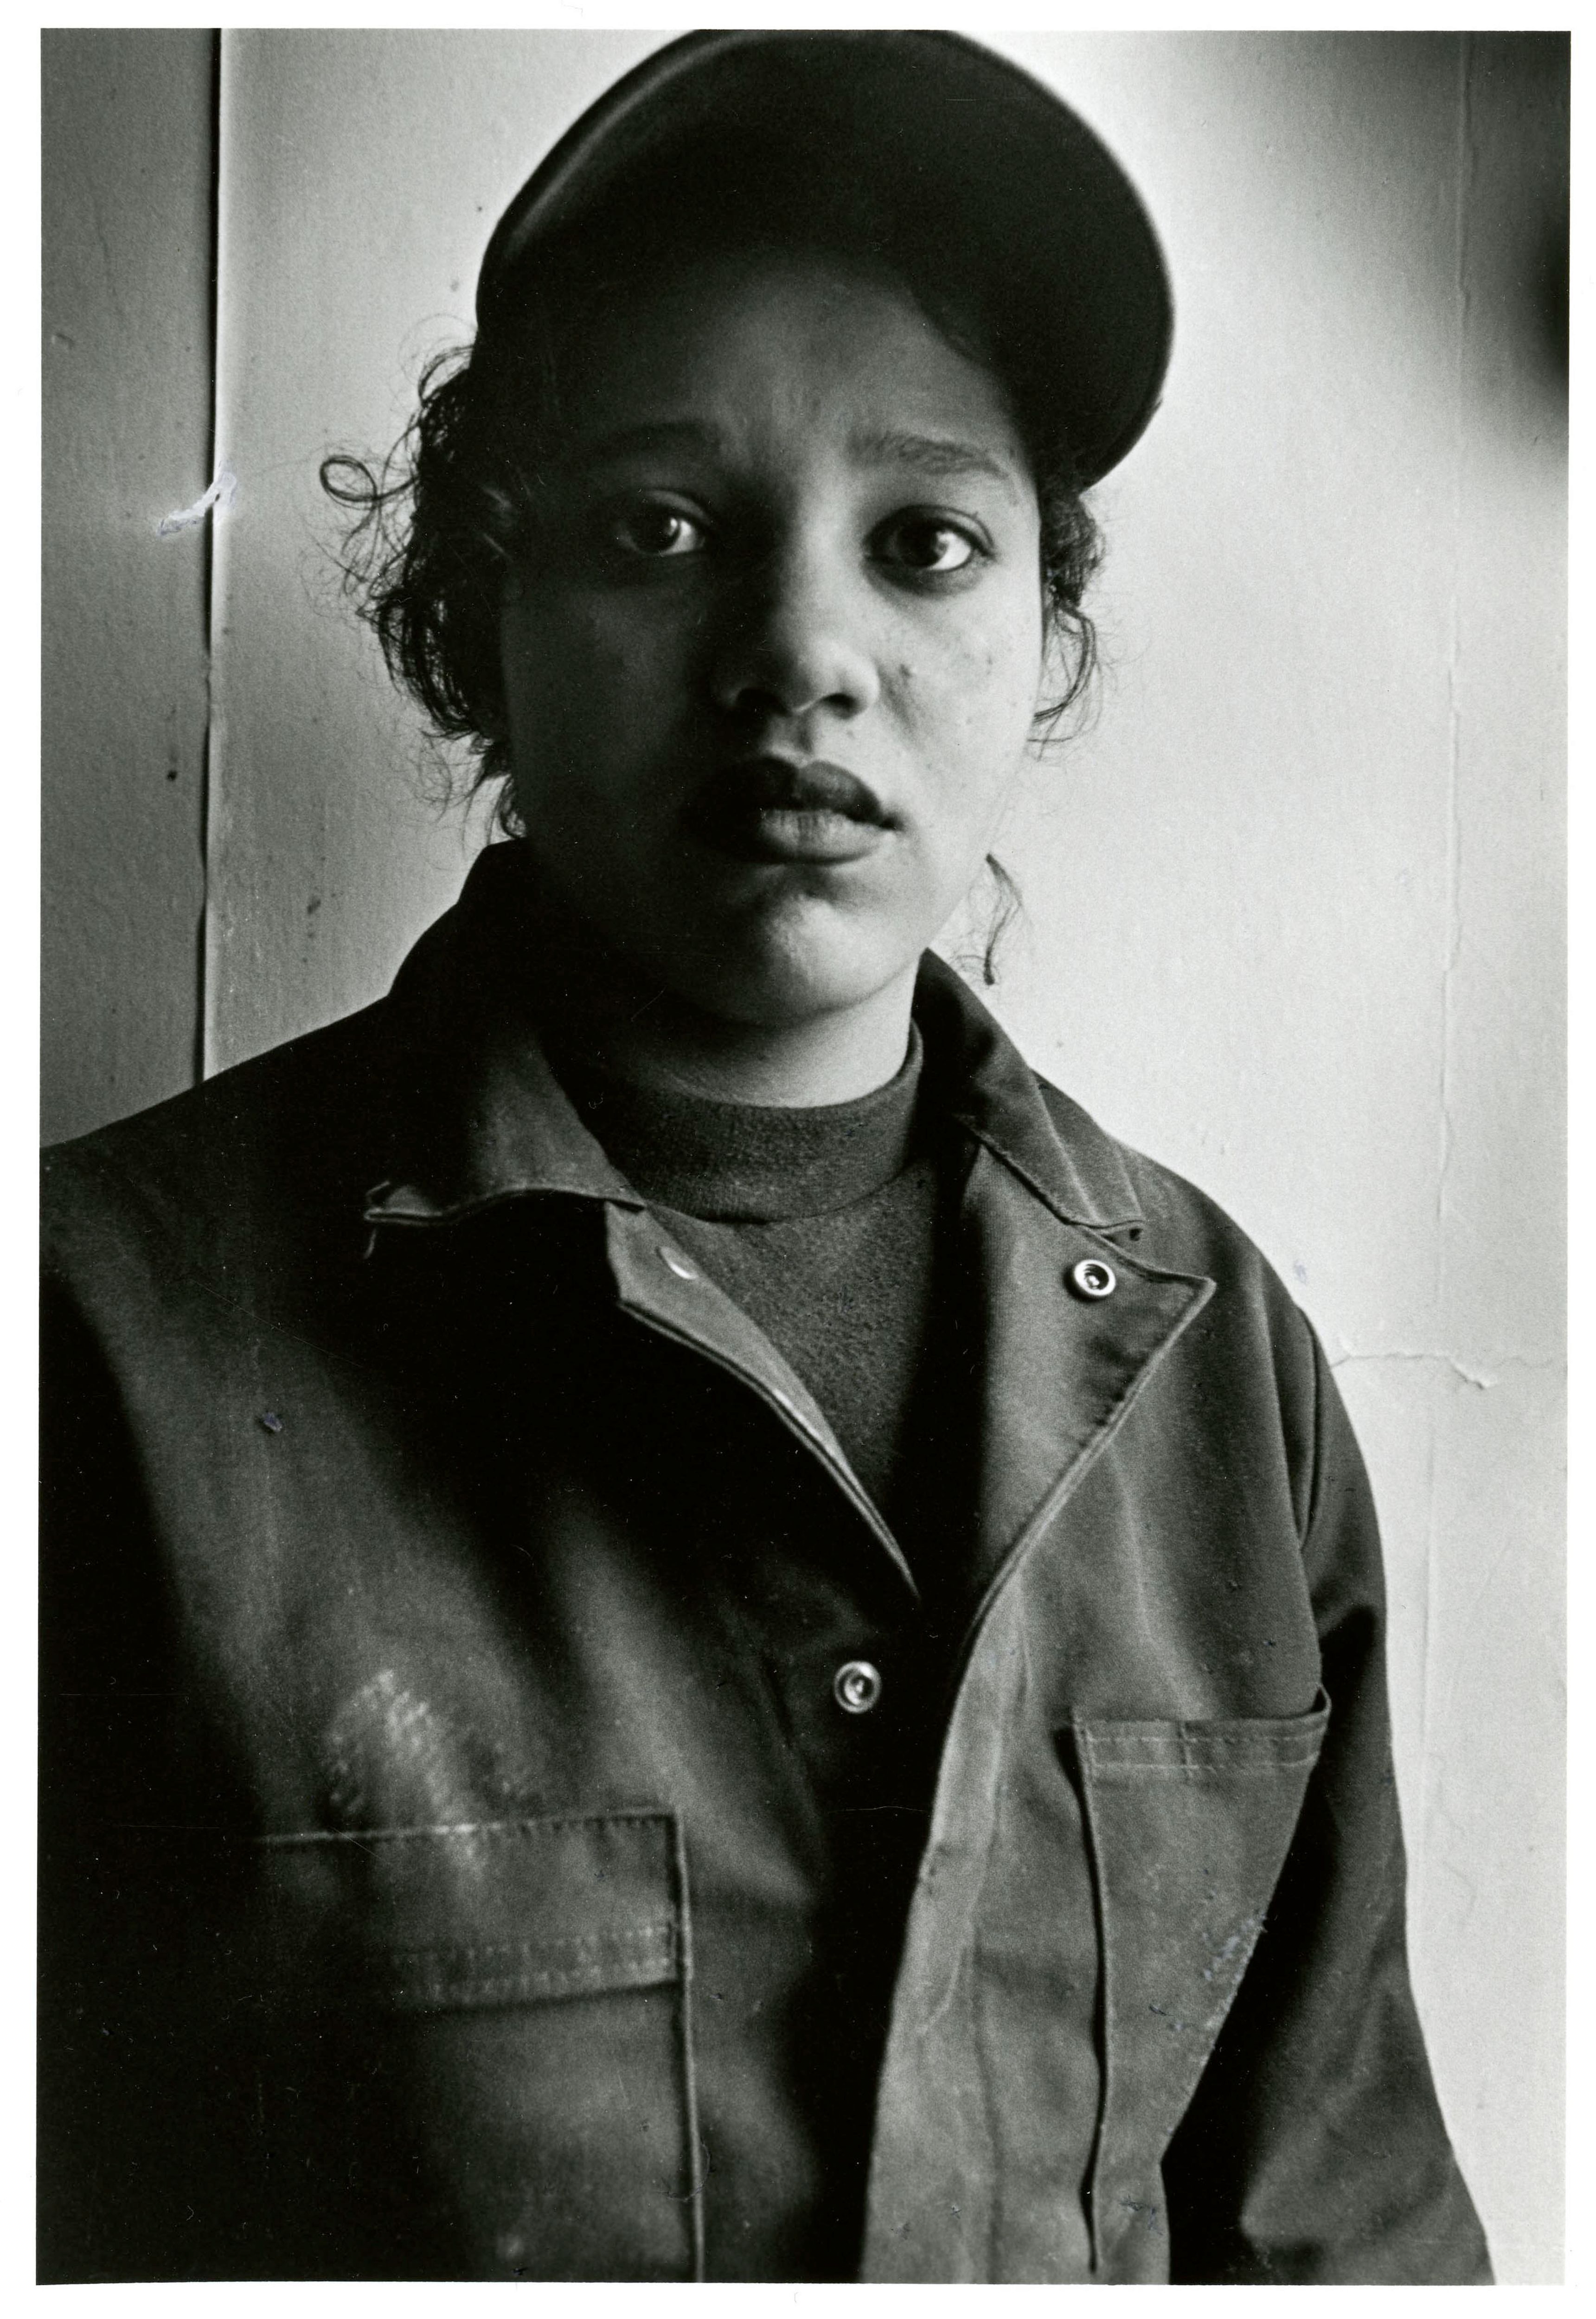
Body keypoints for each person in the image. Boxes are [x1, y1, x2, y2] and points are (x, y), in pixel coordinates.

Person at [39, 30, 1491, 2285]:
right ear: (479, 613)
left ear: (1041, 633)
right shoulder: (92, 1339)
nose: (804, 649)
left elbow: (1346, 2228)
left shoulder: (1222, 1368)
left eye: (926, 543)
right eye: (659, 527)